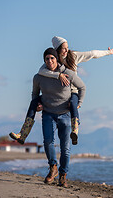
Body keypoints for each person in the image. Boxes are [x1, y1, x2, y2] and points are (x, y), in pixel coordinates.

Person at [9, 36, 113, 145]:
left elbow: (92, 54)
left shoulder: (73, 56)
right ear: (57, 49)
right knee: (33, 102)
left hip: (71, 92)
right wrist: (58, 75)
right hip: (55, 93)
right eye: (64, 48)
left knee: (74, 103)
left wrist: (108, 52)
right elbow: (41, 71)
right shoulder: (53, 60)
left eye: (67, 47)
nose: (66, 50)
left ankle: (75, 132)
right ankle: (23, 134)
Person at [35, 47, 86, 187]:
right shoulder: (39, 77)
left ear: (57, 59)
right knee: (48, 142)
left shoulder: (68, 73)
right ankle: (53, 168)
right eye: (47, 58)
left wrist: (78, 104)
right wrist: (38, 105)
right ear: (44, 61)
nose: (50, 61)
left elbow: (82, 87)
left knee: (65, 148)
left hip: (65, 114)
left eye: (52, 58)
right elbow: (35, 95)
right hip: (48, 114)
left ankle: (63, 175)